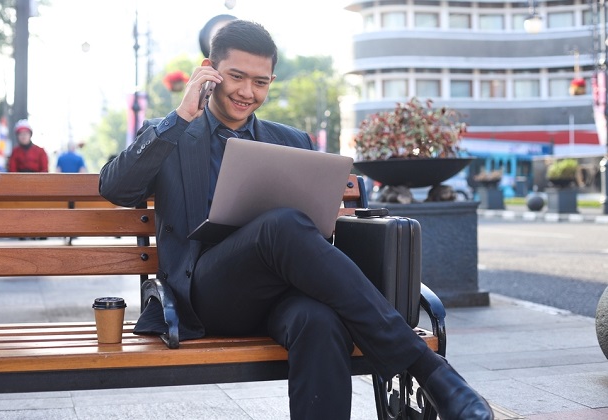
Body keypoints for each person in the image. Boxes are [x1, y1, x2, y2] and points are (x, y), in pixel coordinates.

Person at [99, 20, 493, 420]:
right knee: (281, 225)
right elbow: (115, 189)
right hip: (206, 294)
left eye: (261, 82)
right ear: (209, 70)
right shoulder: (173, 133)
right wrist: (182, 115)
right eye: (236, 77)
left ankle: (428, 374)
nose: (247, 92)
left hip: (281, 294)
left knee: (318, 321)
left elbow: (319, 228)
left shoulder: (292, 141)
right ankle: (430, 372)